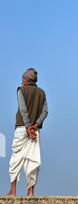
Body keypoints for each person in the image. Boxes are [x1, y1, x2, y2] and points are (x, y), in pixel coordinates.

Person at [7, 68, 48, 196]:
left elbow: (23, 109)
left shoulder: (21, 90)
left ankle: (13, 191)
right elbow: (45, 111)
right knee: (33, 159)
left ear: (25, 81)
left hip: (21, 128)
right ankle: (30, 192)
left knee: (16, 158)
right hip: (35, 130)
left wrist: (27, 127)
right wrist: (35, 125)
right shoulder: (42, 92)